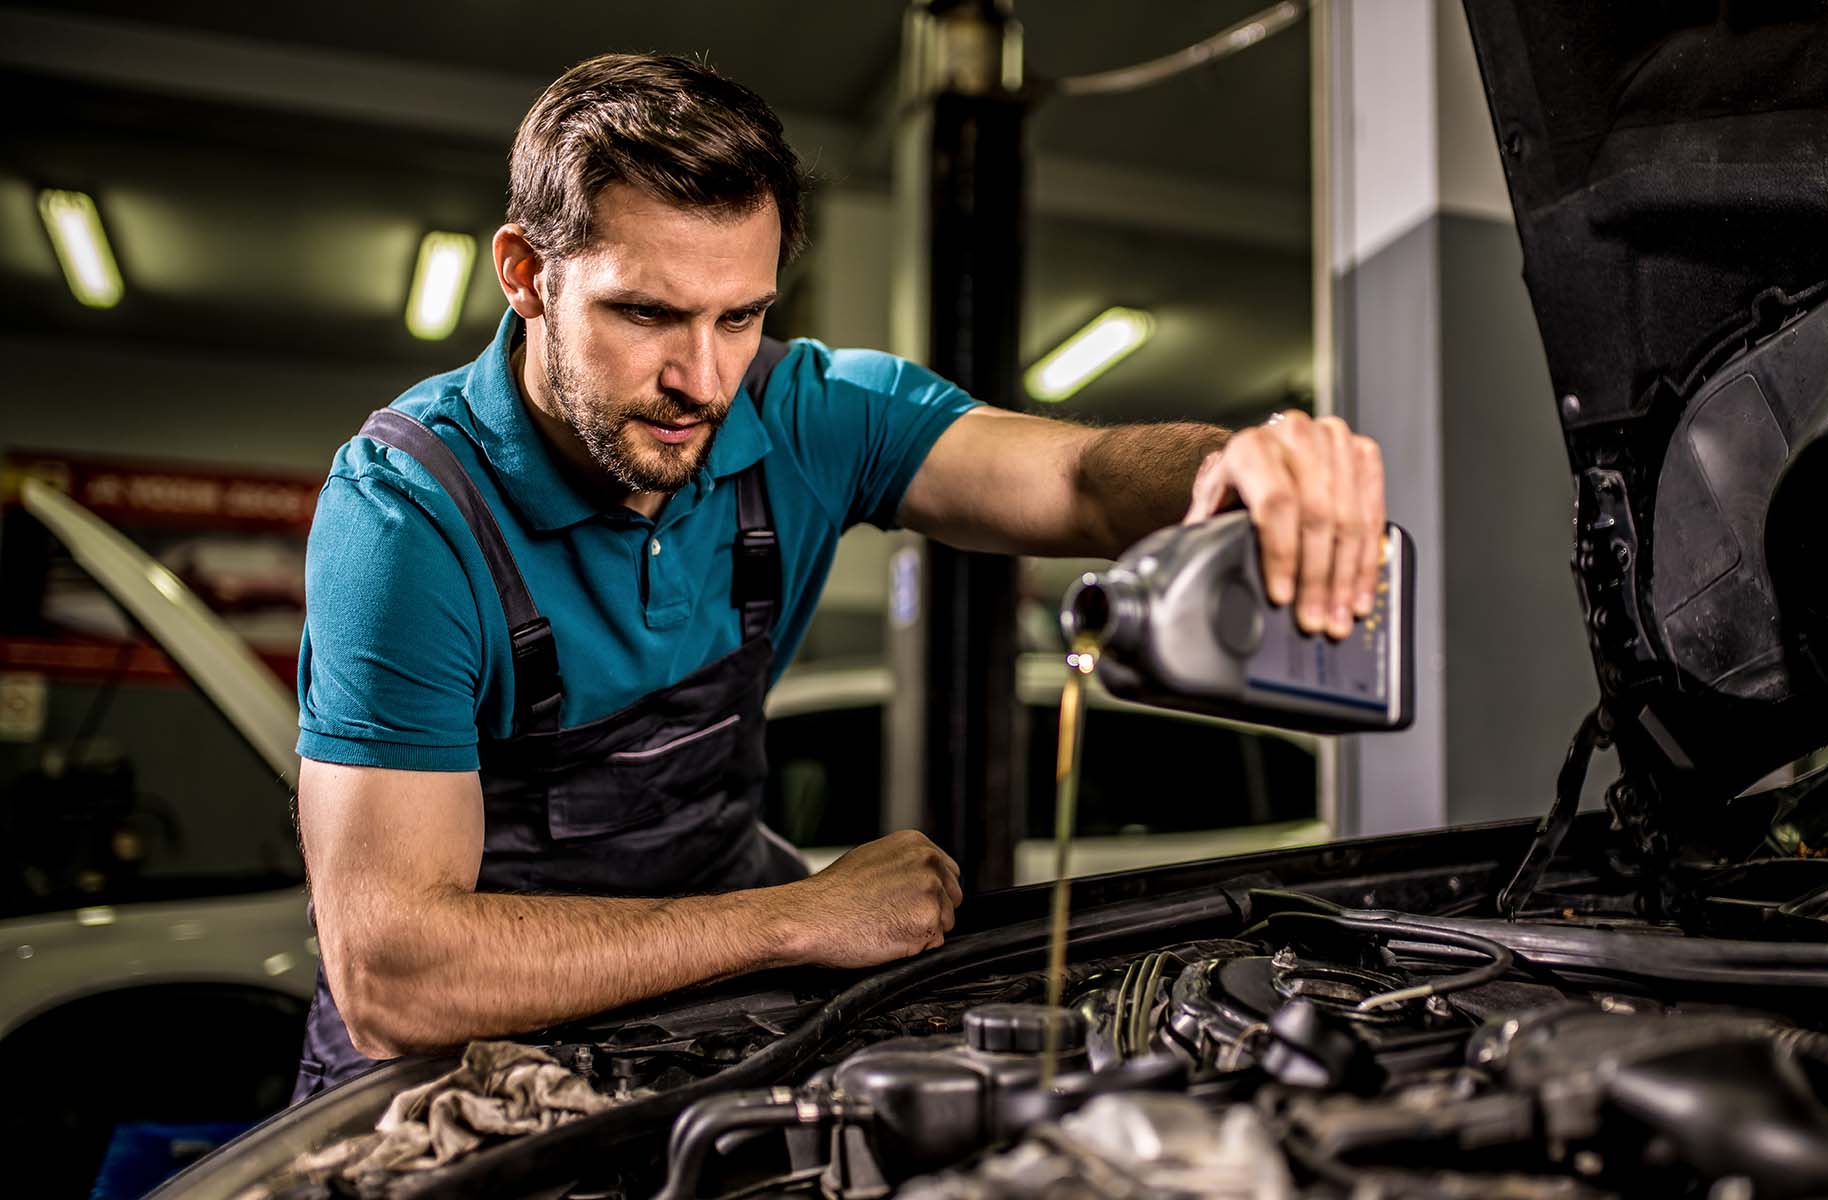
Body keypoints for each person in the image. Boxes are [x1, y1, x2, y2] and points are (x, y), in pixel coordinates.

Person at [291, 52, 1386, 1099]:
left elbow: (1086, 482)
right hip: (444, 1062)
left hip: (695, 1017)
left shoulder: (807, 411)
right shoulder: (408, 517)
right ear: (527, 275)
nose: (699, 382)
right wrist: (790, 918)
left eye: (741, 315)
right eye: (645, 313)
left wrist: (1233, 463)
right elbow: (394, 972)